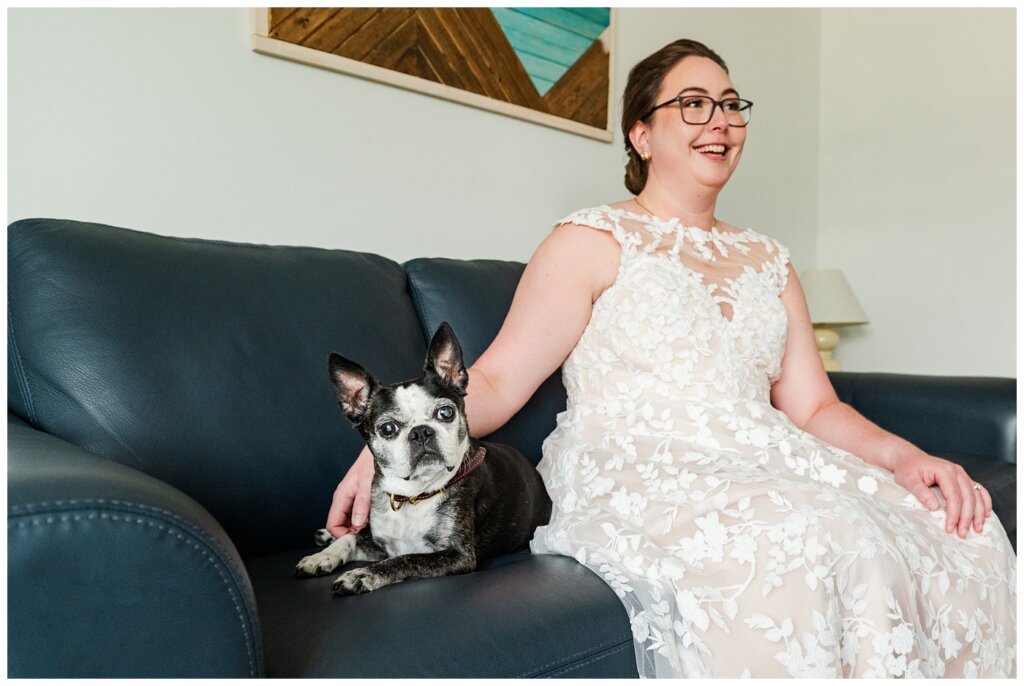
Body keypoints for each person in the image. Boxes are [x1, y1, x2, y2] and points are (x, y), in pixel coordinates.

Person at [325, 39, 1016, 677]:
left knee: (963, 526)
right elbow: (499, 377)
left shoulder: (771, 261)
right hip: (640, 464)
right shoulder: (589, 239)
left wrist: (904, 458)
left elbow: (814, 406)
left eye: (730, 105)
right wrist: (383, 454)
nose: (719, 121)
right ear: (641, 133)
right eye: (693, 104)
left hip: (765, 455)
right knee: (824, 534)